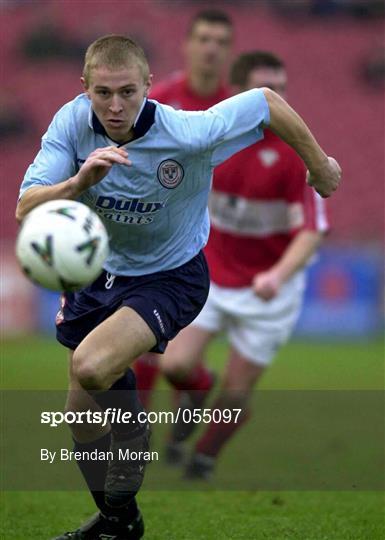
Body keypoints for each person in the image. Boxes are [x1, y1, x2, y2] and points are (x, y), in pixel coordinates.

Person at [16, 34, 341, 540]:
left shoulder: (188, 130)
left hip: (170, 277)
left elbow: (266, 103)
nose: (116, 105)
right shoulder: (71, 123)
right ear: (85, 88)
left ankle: (134, 432)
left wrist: (318, 164)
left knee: (91, 366)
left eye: (128, 91)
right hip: (100, 275)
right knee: (80, 422)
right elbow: (26, 208)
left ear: (149, 84)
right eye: (103, 93)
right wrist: (77, 183)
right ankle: (119, 522)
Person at [157, 50, 331, 479]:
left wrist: (278, 274)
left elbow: (311, 231)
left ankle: (204, 457)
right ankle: (195, 394)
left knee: (235, 394)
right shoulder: (212, 141)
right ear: (240, 95)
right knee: (175, 365)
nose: (279, 100)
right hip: (211, 276)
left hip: (268, 287)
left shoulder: (298, 152)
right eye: (268, 91)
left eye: (283, 89)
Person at [134, 8, 233, 401]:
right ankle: (137, 428)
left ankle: (193, 391)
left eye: (221, 42)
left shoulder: (235, 108)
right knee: (142, 342)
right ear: (187, 46)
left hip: (217, 245)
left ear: (229, 52)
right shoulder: (159, 101)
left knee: (175, 359)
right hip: (163, 235)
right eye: (204, 39)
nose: (211, 49)